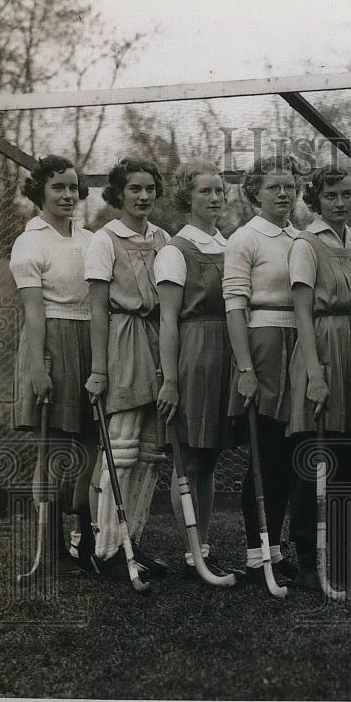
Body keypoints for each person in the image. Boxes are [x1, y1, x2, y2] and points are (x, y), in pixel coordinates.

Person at [10, 155, 98, 574]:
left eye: (73, 187)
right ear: (40, 192)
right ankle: (52, 548)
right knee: (54, 450)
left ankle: (87, 539)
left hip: (89, 339)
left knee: (89, 444)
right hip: (51, 342)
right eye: (58, 187)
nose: (67, 195)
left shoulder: (88, 238)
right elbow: (33, 313)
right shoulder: (31, 241)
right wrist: (38, 368)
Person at [84, 157, 171, 579]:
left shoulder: (162, 237)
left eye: (149, 188)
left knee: (151, 451)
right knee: (121, 446)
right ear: (118, 193)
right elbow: (98, 308)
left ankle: (132, 543)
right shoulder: (104, 240)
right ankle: (105, 549)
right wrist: (99, 369)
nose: (143, 196)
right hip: (122, 339)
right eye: (134, 188)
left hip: (157, 341)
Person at [288, 165, 351, 592]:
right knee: (314, 455)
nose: (340, 203)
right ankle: (305, 556)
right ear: (316, 200)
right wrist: (315, 374)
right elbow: (301, 311)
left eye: (347, 195)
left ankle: (338, 551)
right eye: (331, 196)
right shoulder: (305, 244)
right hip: (320, 346)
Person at [223, 154, 303, 586]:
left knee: (289, 456)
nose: (283, 193)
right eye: (273, 186)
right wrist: (245, 367)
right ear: (254, 192)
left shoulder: (300, 237)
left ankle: (277, 548)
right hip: (262, 343)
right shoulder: (244, 238)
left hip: (298, 344)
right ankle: (257, 556)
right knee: (264, 452)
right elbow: (234, 306)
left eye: (289, 185)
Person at [156, 158, 237, 579]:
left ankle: (200, 546)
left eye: (219, 190)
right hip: (193, 353)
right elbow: (168, 320)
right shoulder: (175, 250)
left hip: (228, 352)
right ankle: (192, 551)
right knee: (188, 458)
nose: (215, 197)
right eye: (205, 190)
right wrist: (170, 379)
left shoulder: (230, 245)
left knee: (209, 457)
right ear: (187, 197)